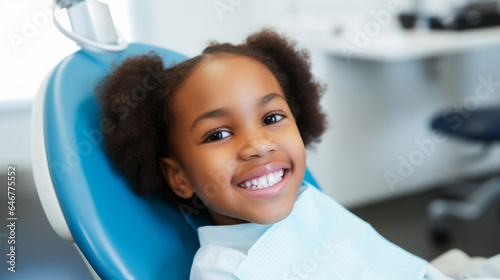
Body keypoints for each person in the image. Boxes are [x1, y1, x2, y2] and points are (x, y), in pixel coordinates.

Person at [95, 29, 454, 279]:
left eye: (272, 118)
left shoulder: (312, 203)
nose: (259, 145)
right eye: (218, 133)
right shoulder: (223, 268)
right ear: (179, 177)